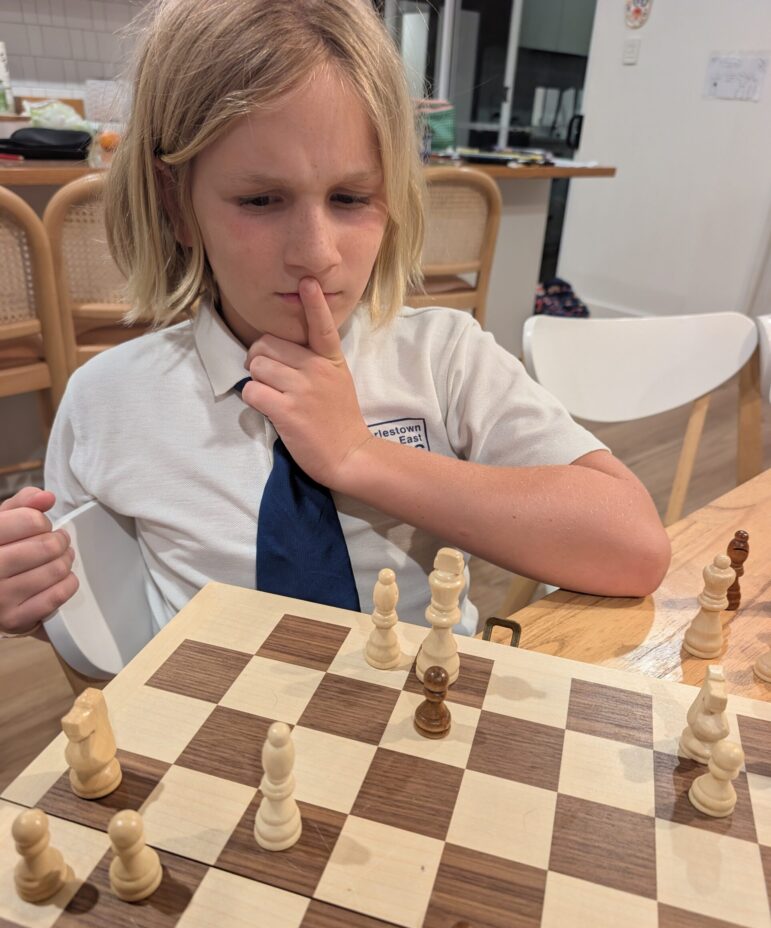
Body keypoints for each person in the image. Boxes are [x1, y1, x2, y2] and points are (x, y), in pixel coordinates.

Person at [0, 0, 669, 642]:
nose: (317, 253)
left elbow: (633, 548)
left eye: (350, 197)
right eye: (261, 200)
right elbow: (98, 620)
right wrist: (39, 600)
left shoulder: (442, 359)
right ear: (176, 204)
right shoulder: (108, 402)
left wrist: (359, 455)